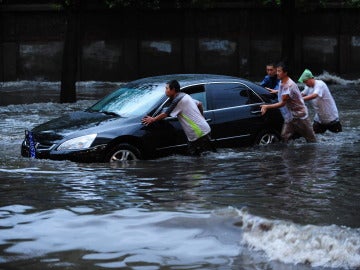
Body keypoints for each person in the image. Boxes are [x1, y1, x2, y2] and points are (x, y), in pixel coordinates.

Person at [142, 79, 214, 156]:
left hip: (199, 133)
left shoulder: (178, 100)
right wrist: (202, 118)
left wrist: (153, 119)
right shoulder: (184, 95)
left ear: (173, 90)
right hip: (201, 131)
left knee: (203, 158)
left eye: (167, 88)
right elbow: (199, 104)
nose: (165, 91)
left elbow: (165, 114)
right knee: (198, 158)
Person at [260, 62, 316, 143]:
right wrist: (276, 91)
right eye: (277, 71)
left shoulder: (288, 85)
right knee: (284, 137)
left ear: (285, 73)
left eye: (279, 71)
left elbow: (282, 103)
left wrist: (266, 106)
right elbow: (285, 93)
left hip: (300, 116)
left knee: (311, 140)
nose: (277, 73)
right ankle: (288, 154)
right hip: (290, 116)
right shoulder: (282, 82)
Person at [298, 69, 342, 134]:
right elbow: (301, 94)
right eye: (304, 82)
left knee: (338, 139)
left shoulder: (320, 84)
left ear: (311, 78)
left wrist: (300, 99)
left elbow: (314, 95)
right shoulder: (308, 87)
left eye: (306, 81)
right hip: (319, 119)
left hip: (332, 119)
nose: (305, 84)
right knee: (313, 138)